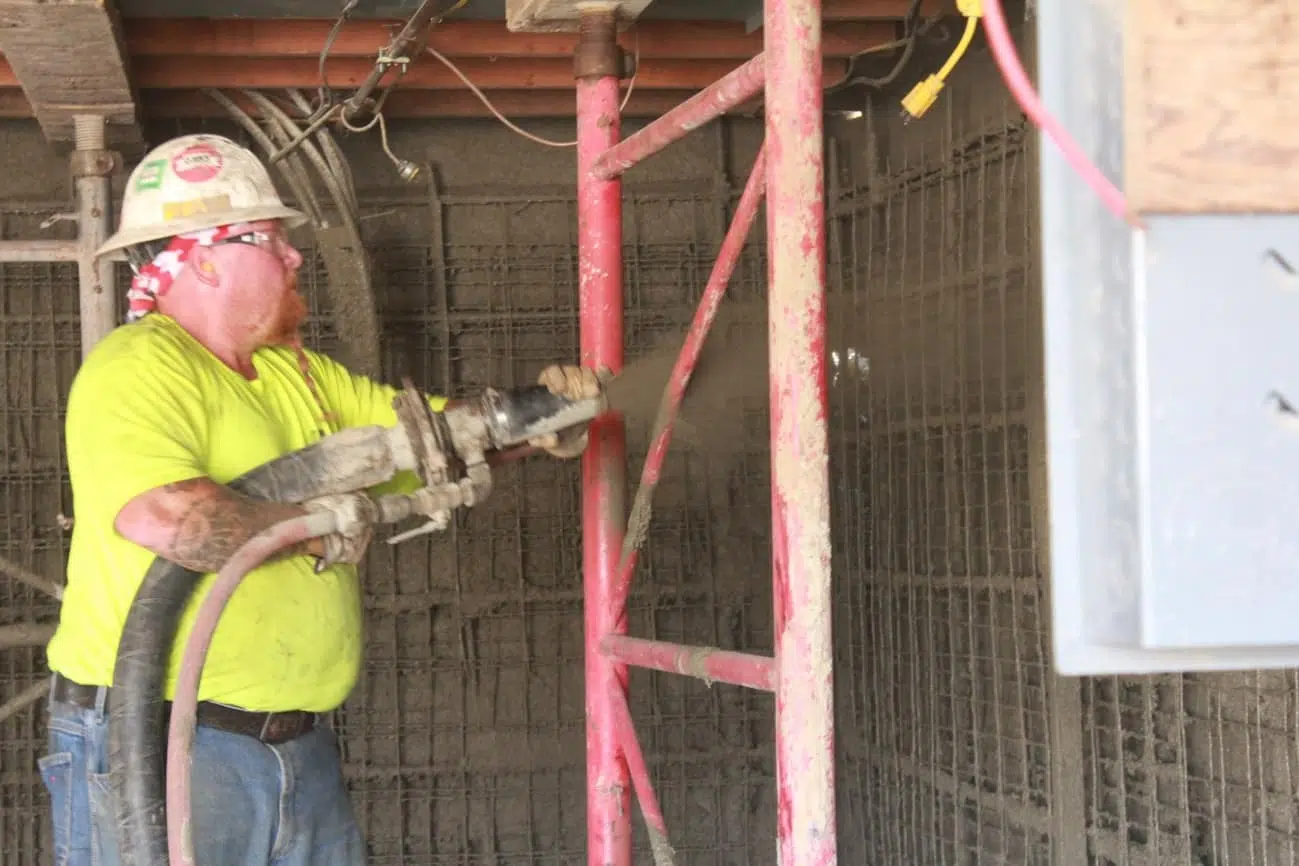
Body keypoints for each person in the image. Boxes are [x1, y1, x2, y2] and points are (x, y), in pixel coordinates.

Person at [38, 133, 601, 866]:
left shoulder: (301, 375)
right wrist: (322, 527)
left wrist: (540, 418)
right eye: (272, 239)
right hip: (165, 743)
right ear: (204, 257)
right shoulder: (139, 368)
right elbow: (172, 522)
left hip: (293, 746)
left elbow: (433, 439)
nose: (294, 256)